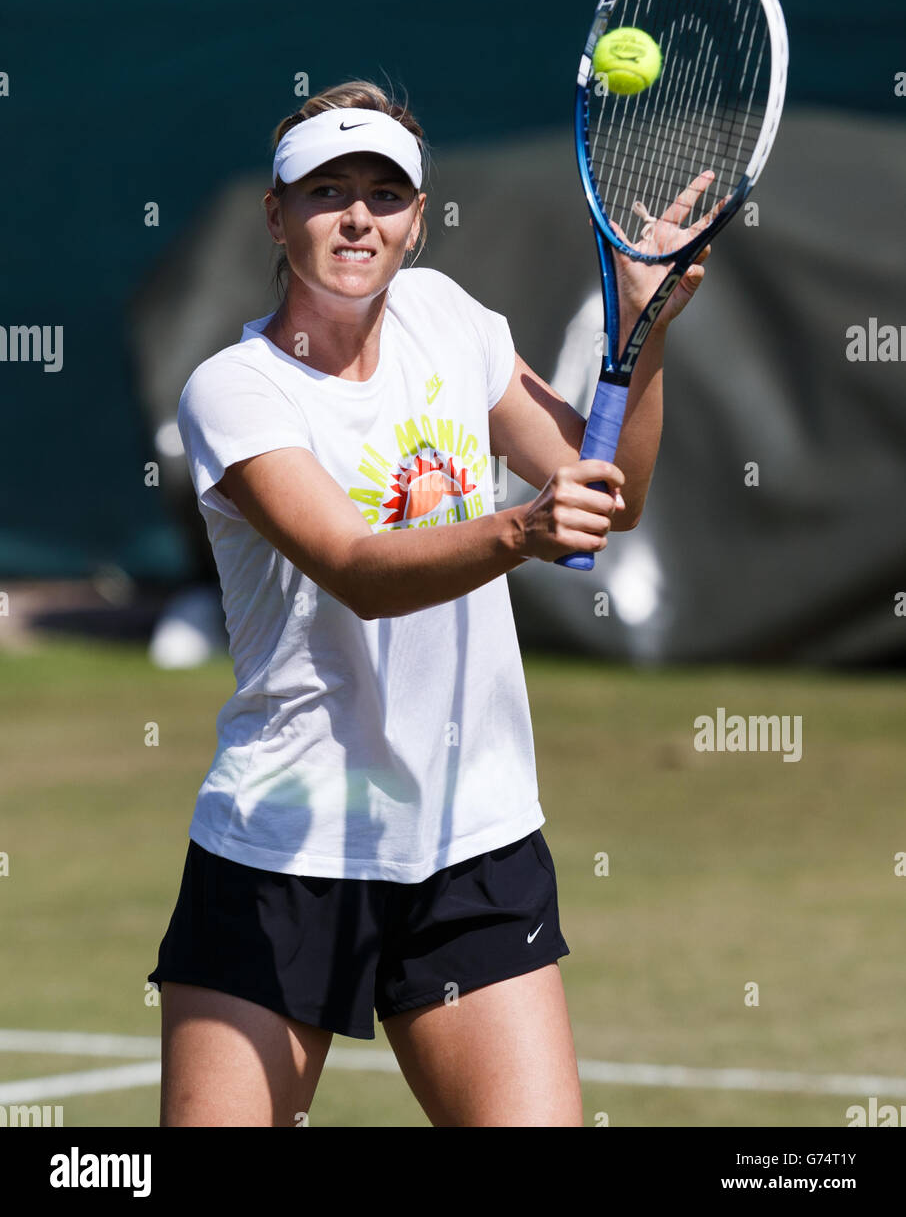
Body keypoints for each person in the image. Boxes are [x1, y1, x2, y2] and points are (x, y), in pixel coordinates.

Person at [147, 79, 712, 1127]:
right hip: (285, 849)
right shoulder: (236, 389)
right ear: (277, 215)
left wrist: (649, 327)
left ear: (415, 220)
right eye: (326, 190)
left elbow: (609, 495)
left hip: (472, 843)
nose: (357, 215)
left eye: (383, 192)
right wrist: (522, 530)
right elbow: (356, 565)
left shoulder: (452, 320)